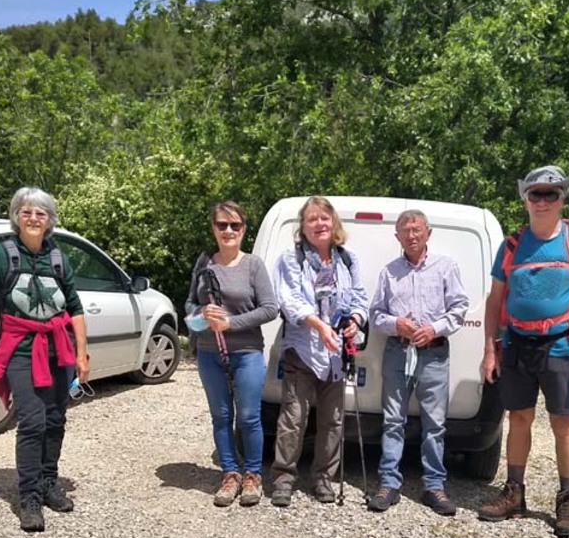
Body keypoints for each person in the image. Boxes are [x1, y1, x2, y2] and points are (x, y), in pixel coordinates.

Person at [478, 165, 569, 538]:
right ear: (525, 199)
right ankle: (514, 493)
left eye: (551, 194)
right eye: (535, 193)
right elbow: (494, 301)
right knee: (518, 418)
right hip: (518, 344)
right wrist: (490, 350)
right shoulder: (512, 244)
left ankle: (567, 498)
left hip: (561, 344)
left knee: (563, 423)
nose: (542, 200)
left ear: (562, 198)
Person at [0, 188, 89, 532]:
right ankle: (30, 496)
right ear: (16, 217)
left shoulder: (58, 257)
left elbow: (75, 308)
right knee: (33, 421)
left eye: (41, 213)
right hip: (19, 350)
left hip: (58, 350)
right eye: (27, 211)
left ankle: (49, 482)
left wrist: (81, 353)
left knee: (56, 419)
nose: (34, 218)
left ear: (50, 220)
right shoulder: (2, 256)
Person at [367, 209, 469, 516]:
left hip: (434, 354)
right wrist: (396, 323)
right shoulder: (389, 272)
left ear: (428, 233)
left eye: (416, 230)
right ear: (397, 236)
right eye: (405, 231)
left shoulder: (446, 267)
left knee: (435, 424)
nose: (411, 236)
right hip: (398, 352)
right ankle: (388, 484)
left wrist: (434, 329)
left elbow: (459, 308)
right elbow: (376, 314)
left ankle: (434, 486)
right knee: (393, 421)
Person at [270, 195, 369, 507]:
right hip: (302, 350)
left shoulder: (347, 259)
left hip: (335, 355)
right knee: (293, 419)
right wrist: (319, 325)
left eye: (324, 218)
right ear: (303, 226)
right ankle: (283, 479)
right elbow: (289, 300)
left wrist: (355, 320)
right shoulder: (291, 258)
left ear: (333, 222)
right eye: (312, 219)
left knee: (333, 421)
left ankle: (324, 479)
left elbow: (359, 297)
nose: (319, 224)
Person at [186, 201, 278, 507]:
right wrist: (201, 313)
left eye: (234, 225)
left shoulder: (253, 265)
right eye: (222, 224)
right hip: (209, 352)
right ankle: (229, 473)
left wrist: (230, 323)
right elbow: (189, 304)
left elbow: (270, 308)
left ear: (244, 230)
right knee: (221, 417)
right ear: (213, 228)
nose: (228, 230)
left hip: (247, 352)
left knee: (249, 417)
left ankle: (252, 475)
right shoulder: (204, 264)